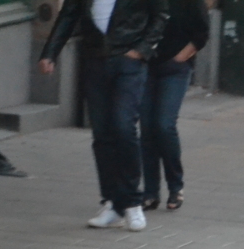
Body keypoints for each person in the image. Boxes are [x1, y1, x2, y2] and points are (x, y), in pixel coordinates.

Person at [38, 0, 169, 232]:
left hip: (128, 60)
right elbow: (69, 14)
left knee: (123, 126)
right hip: (95, 58)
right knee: (102, 132)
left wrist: (142, 49)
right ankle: (111, 202)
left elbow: (160, 15)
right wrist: (50, 52)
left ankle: (132, 201)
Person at [140, 0, 209, 212]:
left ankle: (175, 186)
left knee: (164, 124)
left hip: (174, 69)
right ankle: (150, 192)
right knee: (147, 127)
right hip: (146, 65)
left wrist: (180, 57)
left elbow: (202, 33)